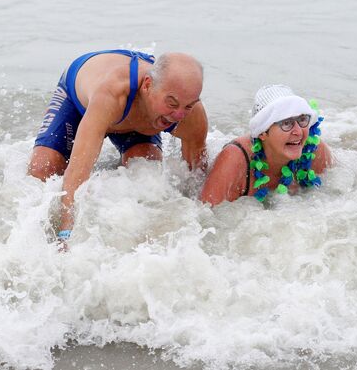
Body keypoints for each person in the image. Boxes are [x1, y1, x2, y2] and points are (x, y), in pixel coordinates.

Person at [28, 49, 208, 243]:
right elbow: (78, 171)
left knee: (146, 173)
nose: (179, 115)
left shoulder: (190, 116)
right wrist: (66, 235)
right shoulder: (112, 93)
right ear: (148, 86)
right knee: (42, 171)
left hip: (142, 111)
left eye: (188, 106)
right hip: (80, 97)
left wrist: (196, 221)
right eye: (172, 104)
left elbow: (197, 177)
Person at [200, 84, 332, 206]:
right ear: (262, 133)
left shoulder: (313, 151)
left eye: (302, 120)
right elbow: (206, 217)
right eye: (286, 123)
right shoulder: (234, 160)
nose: (298, 132)